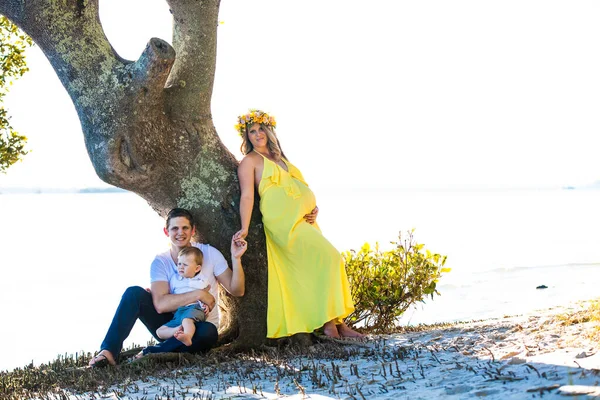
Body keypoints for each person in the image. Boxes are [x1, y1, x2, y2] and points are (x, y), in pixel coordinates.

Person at [233, 109, 364, 339]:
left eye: (261, 129)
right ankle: (328, 325)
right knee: (329, 257)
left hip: (304, 221)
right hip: (282, 223)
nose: (257, 134)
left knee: (324, 262)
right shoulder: (249, 162)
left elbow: (297, 188)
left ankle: (337, 323)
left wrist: (311, 207)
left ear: (269, 130)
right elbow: (247, 196)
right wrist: (244, 228)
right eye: (252, 131)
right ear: (247, 136)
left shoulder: (280, 157)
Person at [89, 208, 247, 367]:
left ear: (193, 230)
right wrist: (199, 294)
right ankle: (108, 352)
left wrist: (236, 258)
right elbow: (160, 305)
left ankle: (151, 352)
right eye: (175, 228)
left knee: (208, 333)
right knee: (134, 293)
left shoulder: (209, 254)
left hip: (198, 326)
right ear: (166, 231)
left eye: (185, 228)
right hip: (170, 325)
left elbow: (237, 290)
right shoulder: (161, 262)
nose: (180, 233)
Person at [156, 247, 210, 347]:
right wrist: (151, 293)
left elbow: (206, 295)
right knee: (159, 331)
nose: (180, 267)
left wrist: (206, 305)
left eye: (185, 264)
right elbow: (168, 294)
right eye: (179, 263)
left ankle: (187, 336)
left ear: (197, 268)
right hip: (179, 312)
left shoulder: (202, 280)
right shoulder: (174, 279)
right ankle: (177, 331)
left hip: (194, 308)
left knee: (187, 320)